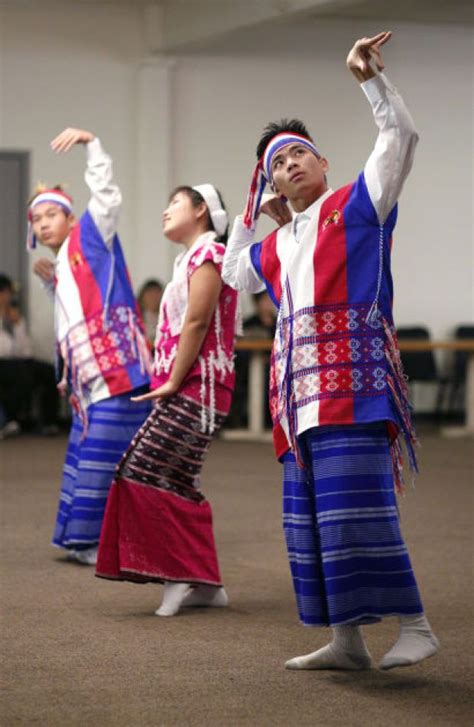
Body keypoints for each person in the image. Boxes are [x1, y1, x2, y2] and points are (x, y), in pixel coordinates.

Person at [222, 32, 439, 670]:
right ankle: (347, 643)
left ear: (322, 164)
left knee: (360, 513)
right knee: (314, 527)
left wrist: (370, 80)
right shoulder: (280, 242)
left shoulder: (359, 202)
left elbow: (400, 140)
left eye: (297, 155)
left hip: (355, 386)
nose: (288, 165)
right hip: (300, 401)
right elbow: (234, 272)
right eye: (275, 164)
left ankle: (419, 624)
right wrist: (252, 215)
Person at [96, 184, 238, 617]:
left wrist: (174, 381)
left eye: (174, 203)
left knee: (142, 469)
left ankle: (179, 574)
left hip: (197, 387)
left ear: (201, 210)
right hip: (187, 385)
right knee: (179, 480)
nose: (165, 211)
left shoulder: (209, 255)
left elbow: (197, 321)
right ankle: (207, 582)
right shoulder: (188, 260)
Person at [31, 128, 151, 565]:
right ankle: (79, 538)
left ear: (70, 217)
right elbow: (72, 317)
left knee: (106, 457)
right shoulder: (66, 261)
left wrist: (93, 145)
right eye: (36, 219)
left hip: (118, 370)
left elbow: (107, 197)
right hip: (90, 379)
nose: (43, 223)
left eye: (50, 214)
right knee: (87, 454)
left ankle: (96, 541)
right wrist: (51, 286)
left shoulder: (91, 236)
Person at [0, 273, 59, 437]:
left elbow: (26, 350)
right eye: (5, 293)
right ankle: (12, 419)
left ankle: (49, 422)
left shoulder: (15, 315)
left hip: (18, 361)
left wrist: (18, 325)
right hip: (4, 363)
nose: (7, 298)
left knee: (49, 372)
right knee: (20, 374)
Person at [137, 278, 165, 348]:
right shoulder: (136, 318)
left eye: (156, 294)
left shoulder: (166, 319)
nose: (153, 298)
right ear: (142, 296)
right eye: (150, 294)